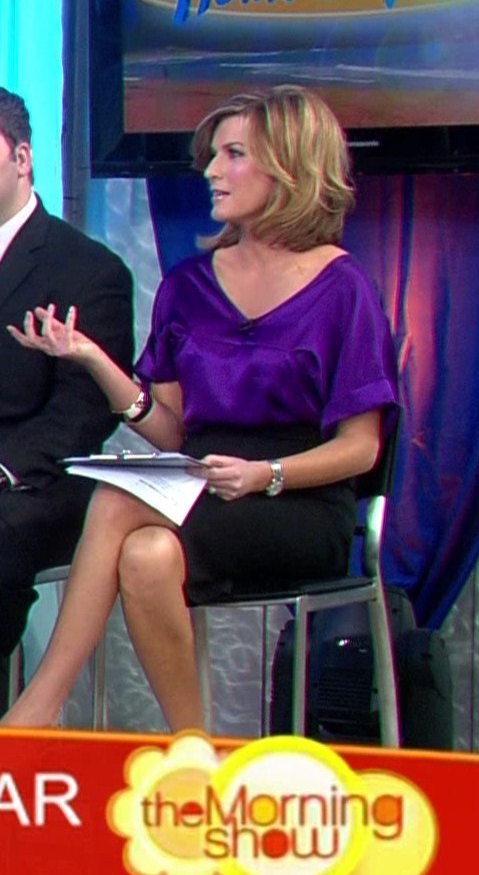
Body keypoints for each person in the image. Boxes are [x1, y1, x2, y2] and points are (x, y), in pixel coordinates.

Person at [1, 84, 399, 732]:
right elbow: (174, 432)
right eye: (212, 155)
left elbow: (362, 448)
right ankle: (193, 748)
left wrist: (265, 474)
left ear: (289, 166)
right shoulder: (188, 285)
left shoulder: (343, 288)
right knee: (145, 556)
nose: (211, 170)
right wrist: (92, 359)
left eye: (233, 154)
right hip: (203, 487)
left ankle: (38, 708)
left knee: (115, 502)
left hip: (298, 501)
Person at [0, 87, 134, 714]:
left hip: (36, 482)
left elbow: (82, 416)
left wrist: (5, 468)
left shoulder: (89, 270)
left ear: (22, 158)